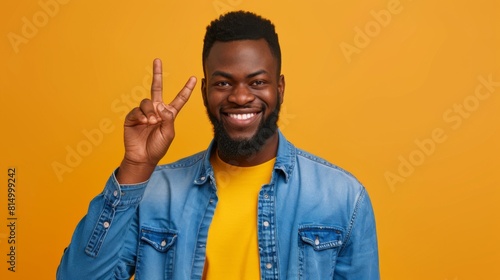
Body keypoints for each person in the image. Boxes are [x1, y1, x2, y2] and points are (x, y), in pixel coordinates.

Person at [57, 11, 379, 279]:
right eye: (224, 83)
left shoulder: (342, 197)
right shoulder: (154, 193)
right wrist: (136, 168)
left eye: (257, 82)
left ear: (279, 89)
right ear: (205, 91)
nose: (240, 97)